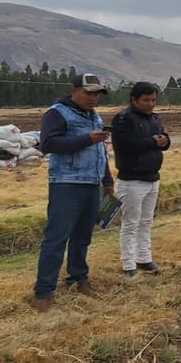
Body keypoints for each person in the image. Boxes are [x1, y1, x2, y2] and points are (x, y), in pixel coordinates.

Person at [33, 73, 113, 311]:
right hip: (66, 183)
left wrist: (107, 179)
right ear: (74, 90)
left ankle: (78, 278)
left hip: (92, 183)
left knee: (82, 237)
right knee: (56, 238)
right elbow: (48, 144)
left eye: (97, 94)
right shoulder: (57, 113)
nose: (93, 98)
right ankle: (43, 292)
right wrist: (86, 139)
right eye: (89, 93)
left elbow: (100, 151)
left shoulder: (95, 116)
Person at [111, 82, 170, 276]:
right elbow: (124, 145)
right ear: (134, 100)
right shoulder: (123, 119)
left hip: (152, 178)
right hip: (131, 181)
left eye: (153, 100)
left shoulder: (155, 118)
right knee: (130, 223)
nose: (151, 104)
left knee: (146, 221)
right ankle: (128, 264)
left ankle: (144, 258)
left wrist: (165, 141)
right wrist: (152, 141)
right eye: (146, 100)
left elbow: (164, 139)